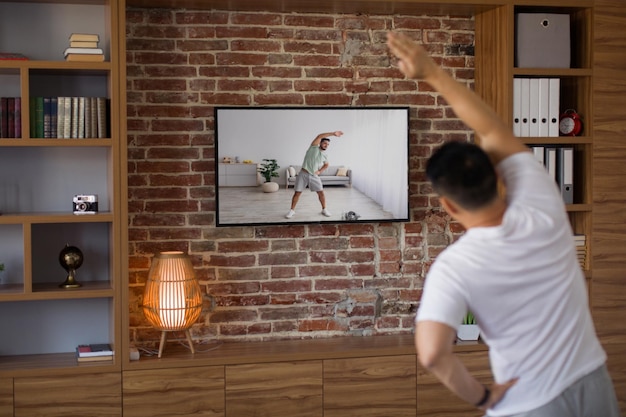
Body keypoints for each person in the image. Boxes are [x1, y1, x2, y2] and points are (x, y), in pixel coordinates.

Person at [387, 31, 621, 417]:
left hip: (529, 403)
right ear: (499, 178)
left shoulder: (453, 267)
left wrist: (483, 397)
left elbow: (431, 354)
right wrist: (430, 73)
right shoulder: (542, 203)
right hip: (592, 382)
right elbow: (492, 129)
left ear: (447, 205)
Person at [285, 130, 343, 219]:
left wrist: (319, 171)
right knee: (297, 193)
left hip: (314, 175)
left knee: (321, 193)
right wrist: (333, 134)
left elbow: (327, 164)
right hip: (303, 174)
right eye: (324, 143)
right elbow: (319, 136)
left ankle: (324, 209)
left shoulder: (324, 155)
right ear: (320, 143)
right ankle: (292, 210)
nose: (326, 145)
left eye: (328, 144)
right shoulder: (313, 148)